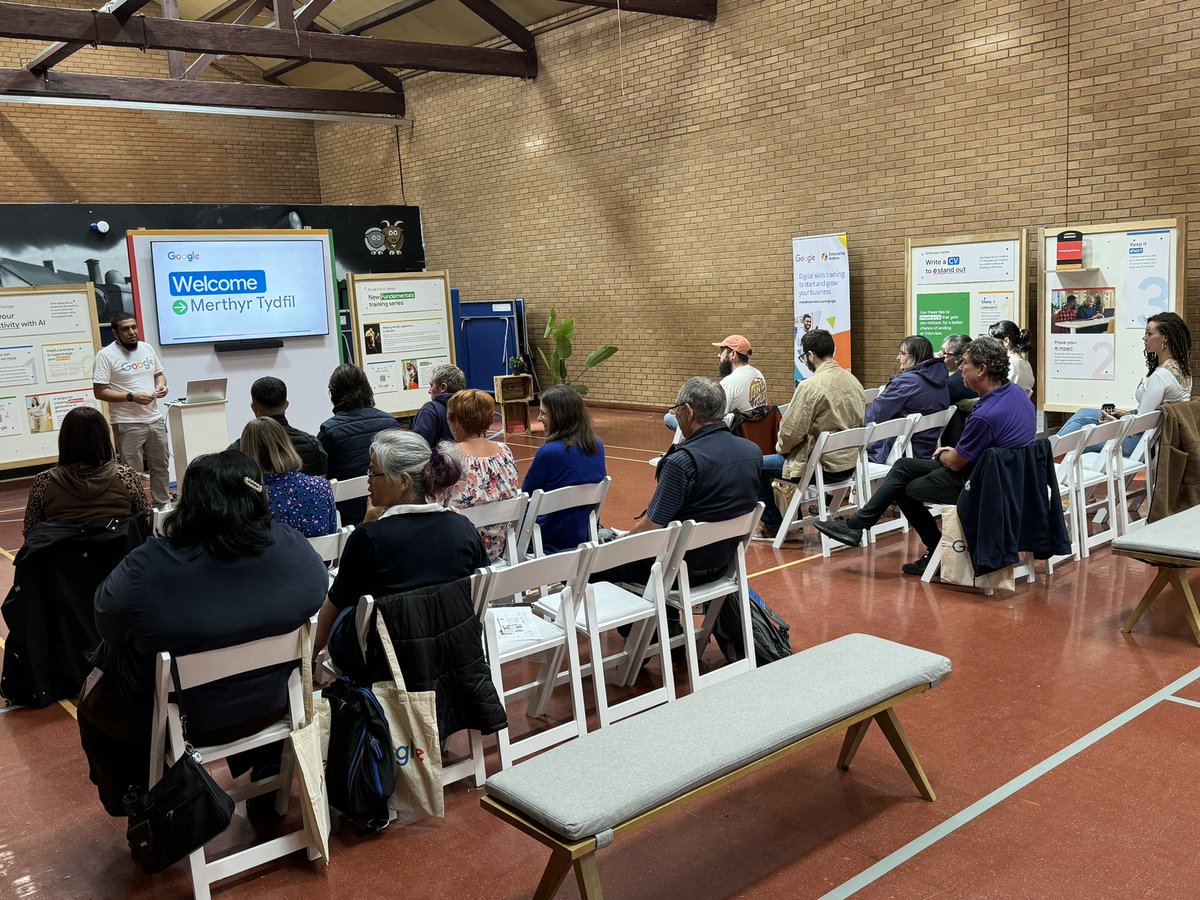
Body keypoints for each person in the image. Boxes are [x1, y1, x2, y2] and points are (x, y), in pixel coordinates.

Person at [77, 450, 328, 816]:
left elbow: (107, 621)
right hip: (274, 706)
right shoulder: (292, 548)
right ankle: (268, 764)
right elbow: (318, 591)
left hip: (185, 720)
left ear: (190, 503)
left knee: (107, 667)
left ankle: (138, 794)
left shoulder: (149, 566)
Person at [816, 336, 1035, 575]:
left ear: (982, 369)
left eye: (965, 363)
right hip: (1009, 477)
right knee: (903, 466)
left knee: (905, 491)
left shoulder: (986, 415)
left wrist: (943, 454)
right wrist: (952, 454)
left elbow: (955, 463)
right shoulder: (1016, 394)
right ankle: (857, 525)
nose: (960, 368)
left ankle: (937, 551)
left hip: (983, 483)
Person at [315, 430, 488, 661]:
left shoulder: (369, 539)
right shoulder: (462, 527)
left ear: (403, 481)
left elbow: (338, 600)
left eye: (373, 473)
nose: (368, 481)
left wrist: (311, 654)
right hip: (455, 651)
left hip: (388, 659)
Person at [595, 376, 761, 593]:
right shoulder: (752, 451)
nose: (676, 415)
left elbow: (651, 527)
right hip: (722, 565)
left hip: (676, 569)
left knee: (589, 565)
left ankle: (647, 616)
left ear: (688, 411)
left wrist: (620, 542)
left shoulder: (682, 462)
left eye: (676, 410)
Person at [759, 329, 864, 539]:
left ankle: (774, 525)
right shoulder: (854, 381)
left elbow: (790, 433)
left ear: (810, 355)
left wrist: (781, 449)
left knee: (754, 465)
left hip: (820, 467)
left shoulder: (809, 386)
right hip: (849, 465)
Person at [1057, 312, 1193, 455]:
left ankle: (1047, 451)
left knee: (1079, 432)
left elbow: (1141, 425)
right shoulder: (1183, 370)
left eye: (1149, 333)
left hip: (1137, 443)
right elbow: (1148, 415)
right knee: (1083, 413)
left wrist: (1115, 423)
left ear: (1165, 338)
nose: (1144, 337)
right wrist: (1124, 414)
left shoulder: (1160, 377)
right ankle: (1048, 450)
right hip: (1151, 437)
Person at [22, 406, 149, 536]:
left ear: (65, 440)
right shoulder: (126, 476)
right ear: (103, 438)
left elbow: (30, 530)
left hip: (63, 548)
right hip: (121, 547)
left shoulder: (45, 481)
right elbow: (145, 519)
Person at [92, 312, 170, 508]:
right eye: (126, 329)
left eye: (134, 327)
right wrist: (130, 396)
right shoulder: (105, 355)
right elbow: (100, 391)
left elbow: (159, 374)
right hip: (127, 423)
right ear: (115, 333)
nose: (132, 332)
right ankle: (136, 508)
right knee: (131, 472)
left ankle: (163, 504)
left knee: (161, 467)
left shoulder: (146, 348)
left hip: (154, 419)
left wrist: (161, 386)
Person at [521, 385, 608, 553]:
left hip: (546, 539)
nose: (538, 418)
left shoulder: (549, 452)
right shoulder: (596, 444)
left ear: (560, 416)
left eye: (543, 413)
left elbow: (526, 496)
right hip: (584, 535)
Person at [443, 389, 520, 562]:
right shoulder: (504, 452)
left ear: (456, 422)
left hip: (460, 551)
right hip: (497, 548)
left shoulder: (447, 457)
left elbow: (433, 505)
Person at [318, 364, 398, 525]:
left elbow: (320, 483)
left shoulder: (329, 431)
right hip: (390, 513)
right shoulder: (391, 424)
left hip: (347, 520)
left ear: (334, 393)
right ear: (367, 389)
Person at [239, 417, 336, 537]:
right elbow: (332, 531)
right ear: (286, 445)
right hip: (320, 550)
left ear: (247, 453)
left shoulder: (248, 500)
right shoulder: (321, 486)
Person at [864, 335, 949, 462]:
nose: (898, 358)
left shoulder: (906, 382)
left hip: (899, 450)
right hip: (927, 448)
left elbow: (875, 415)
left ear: (916, 356)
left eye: (902, 354)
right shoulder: (941, 379)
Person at [663, 335, 767, 434]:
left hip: (730, 432)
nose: (718, 355)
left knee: (669, 417)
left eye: (721, 352)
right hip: (752, 432)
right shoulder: (759, 375)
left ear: (733, 355)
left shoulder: (729, 383)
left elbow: (713, 419)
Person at [228, 376, 327, 476]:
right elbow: (325, 478)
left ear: (254, 408)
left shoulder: (236, 450)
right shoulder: (313, 443)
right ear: (286, 405)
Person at [412, 363, 464, 448]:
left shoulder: (430, 411)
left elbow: (417, 450)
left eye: (431, 385)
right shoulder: (471, 409)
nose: (429, 391)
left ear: (443, 388)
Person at [989, 320, 1034, 398]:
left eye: (992, 339)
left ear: (1006, 341)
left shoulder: (1009, 364)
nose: (989, 343)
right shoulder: (1026, 364)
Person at [939, 334, 978, 403]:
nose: (939, 354)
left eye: (944, 352)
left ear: (959, 358)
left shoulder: (952, 384)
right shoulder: (979, 375)